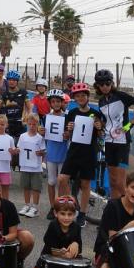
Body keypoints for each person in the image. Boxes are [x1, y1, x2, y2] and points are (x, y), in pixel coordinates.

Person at [93, 69, 134, 199]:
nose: (105, 87)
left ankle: (129, 209)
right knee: (113, 182)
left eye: (107, 83)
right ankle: (115, 210)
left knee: (120, 183)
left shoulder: (121, 96)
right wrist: (100, 125)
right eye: (101, 84)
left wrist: (130, 124)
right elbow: (105, 121)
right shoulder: (101, 101)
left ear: (111, 83)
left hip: (122, 142)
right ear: (97, 86)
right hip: (108, 141)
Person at [56, 82, 106, 227]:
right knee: (62, 179)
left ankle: (82, 214)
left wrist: (99, 128)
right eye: (78, 96)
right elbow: (65, 136)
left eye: (83, 95)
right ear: (75, 99)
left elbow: (102, 135)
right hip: (74, 151)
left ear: (87, 97)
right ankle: (70, 206)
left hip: (89, 152)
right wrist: (68, 130)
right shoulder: (71, 113)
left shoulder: (96, 114)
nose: (81, 98)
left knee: (85, 184)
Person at [43, 89, 69, 220]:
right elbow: (42, 133)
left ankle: (61, 207)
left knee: (62, 182)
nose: (56, 104)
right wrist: (41, 131)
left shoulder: (67, 116)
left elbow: (72, 135)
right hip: (51, 153)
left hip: (64, 153)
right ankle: (53, 206)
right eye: (53, 101)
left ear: (62, 102)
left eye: (58, 101)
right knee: (51, 181)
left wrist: (68, 135)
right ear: (50, 103)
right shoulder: (46, 117)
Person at [16, 113, 46, 218]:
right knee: (26, 186)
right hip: (25, 165)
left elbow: (44, 151)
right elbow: (19, 148)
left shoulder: (40, 137)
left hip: (36, 167)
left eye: (34, 124)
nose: (32, 126)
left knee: (36, 187)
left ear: (37, 124)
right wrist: (15, 150)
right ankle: (27, 205)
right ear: (27, 124)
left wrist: (41, 153)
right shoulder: (22, 136)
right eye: (30, 124)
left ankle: (35, 207)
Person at [1, 71, 28, 139]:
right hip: (8, 124)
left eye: (14, 80)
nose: (11, 82)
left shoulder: (23, 92)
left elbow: (30, 106)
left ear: (17, 81)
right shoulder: (4, 94)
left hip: (21, 123)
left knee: (21, 147)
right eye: (9, 80)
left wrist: (27, 116)